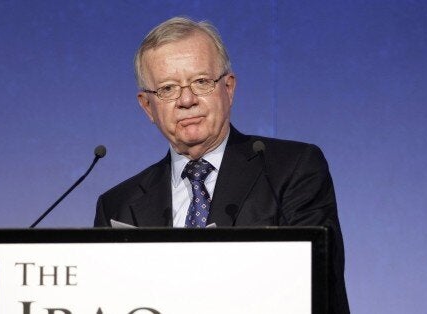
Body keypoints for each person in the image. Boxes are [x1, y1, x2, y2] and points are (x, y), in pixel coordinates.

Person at [94, 17, 350, 313]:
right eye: (167, 88)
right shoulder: (118, 205)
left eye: (201, 82)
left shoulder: (290, 169)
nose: (186, 100)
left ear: (228, 88)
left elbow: (317, 278)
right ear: (147, 106)